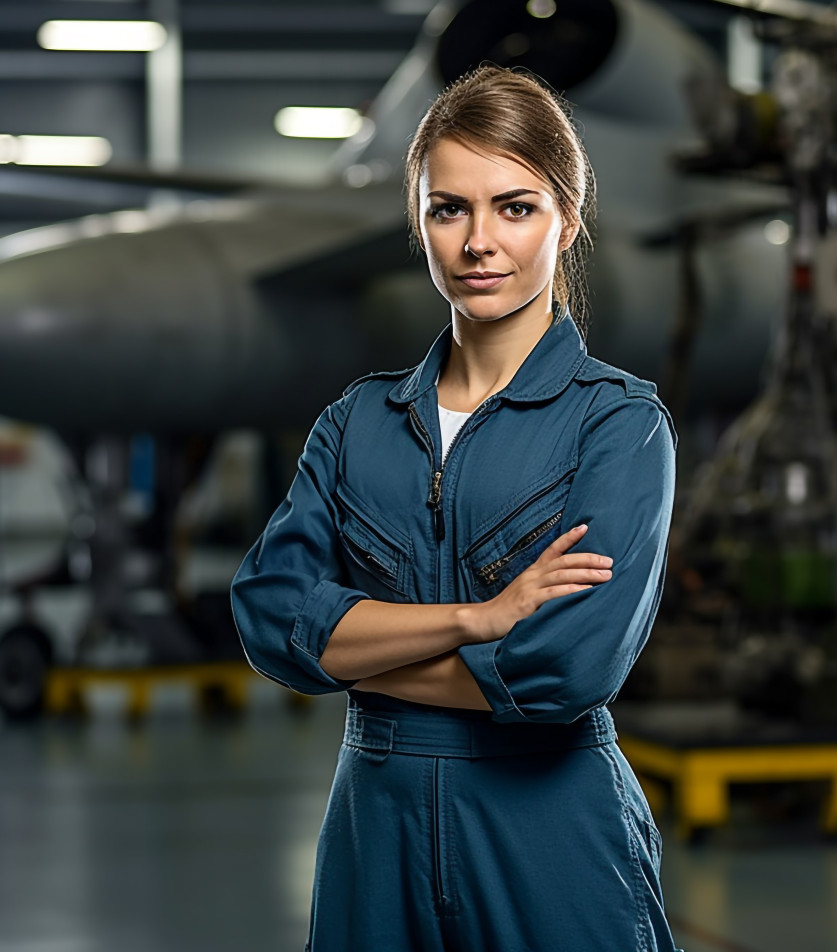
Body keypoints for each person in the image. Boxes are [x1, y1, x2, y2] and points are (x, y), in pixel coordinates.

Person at [231, 65, 679, 952]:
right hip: (374, 835)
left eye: (515, 207)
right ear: (421, 223)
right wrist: (478, 618)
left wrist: (352, 653)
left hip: (548, 830)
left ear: (567, 220)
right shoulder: (356, 424)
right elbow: (267, 614)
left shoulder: (618, 425)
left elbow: (564, 672)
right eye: (449, 209)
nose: (480, 241)